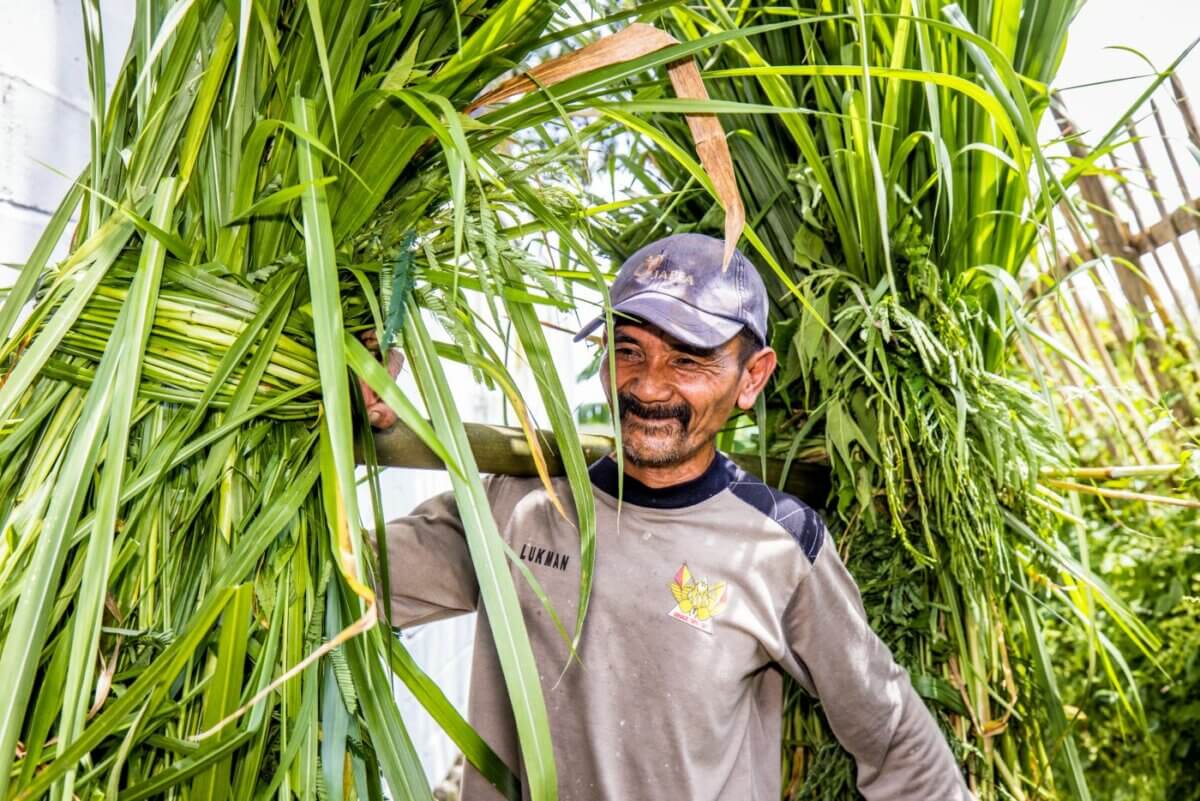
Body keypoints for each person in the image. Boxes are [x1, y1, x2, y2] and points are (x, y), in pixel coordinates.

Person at [361, 233, 972, 801]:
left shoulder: (779, 546)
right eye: (629, 351)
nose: (648, 387)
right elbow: (348, 575)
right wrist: (338, 384)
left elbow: (894, 738)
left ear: (751, 377)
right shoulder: (519, 505)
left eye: (688, 361)